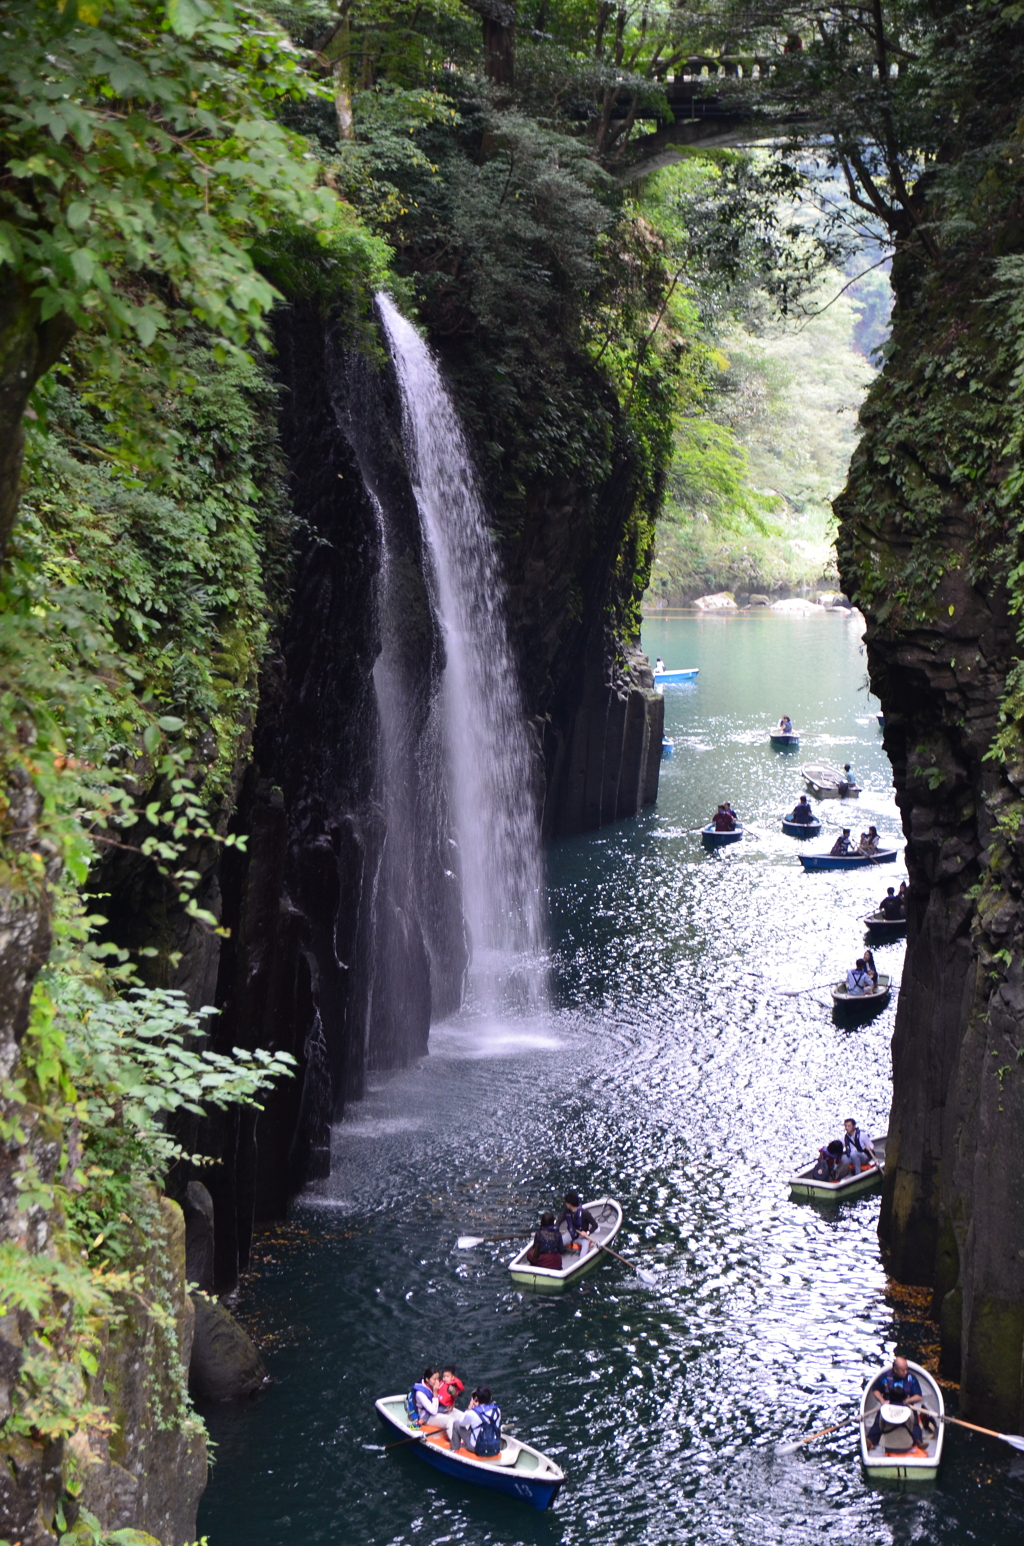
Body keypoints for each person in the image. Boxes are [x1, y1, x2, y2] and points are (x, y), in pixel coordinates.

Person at [865, 1356, 930, 1449]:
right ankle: (870, 1441)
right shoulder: (885, 1377)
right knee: (878, 1422)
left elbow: (918, 1396)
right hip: (888, 1405)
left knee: (914, 1423)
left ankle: (918, 1442)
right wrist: (882, 1401)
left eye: (906, 1369)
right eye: (903, 1370)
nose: (906, 1372)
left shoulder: (911, 1378)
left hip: (906, 1405)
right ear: (895, 1370)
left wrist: (906, 1401)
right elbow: (875, 1390)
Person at [448, 1386, 503, 1458]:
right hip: (494, 1446)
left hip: (476, 1448)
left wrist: (469, 1408)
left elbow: (461, 1423)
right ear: (490, 1398)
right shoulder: (497, 1410)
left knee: (456, 1424)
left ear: (476, 1398)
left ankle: (454, 1450)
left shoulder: (472, 1413)